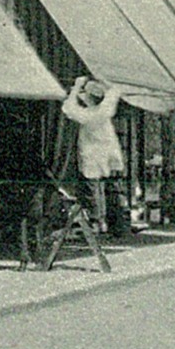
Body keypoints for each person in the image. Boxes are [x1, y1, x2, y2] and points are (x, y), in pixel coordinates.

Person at [61, 76, 123, 232]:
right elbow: (113, 92)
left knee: (91, 190)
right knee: (111, 190)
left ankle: (96, 222)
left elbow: (68, 108)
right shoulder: (106, 110)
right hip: (109, 156)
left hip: (92, 157)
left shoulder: (88, 115)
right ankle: (116, 224)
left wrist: (76, 86)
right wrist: (104, 81)